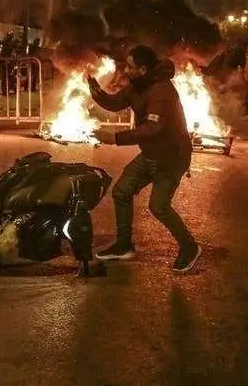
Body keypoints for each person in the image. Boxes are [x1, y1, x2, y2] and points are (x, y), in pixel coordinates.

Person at [86, 45, 202, 272]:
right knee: (122, 191)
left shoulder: (162, 91)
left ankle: (189, 248)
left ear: (143, 69)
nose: (125, 70)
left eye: (130, 67)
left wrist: (115, 137)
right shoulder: (138, 85)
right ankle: (124, 245)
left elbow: (152, 128)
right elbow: (116, 102)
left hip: (171, 158)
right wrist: (96, 91)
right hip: (151, 154)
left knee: (159, 207)